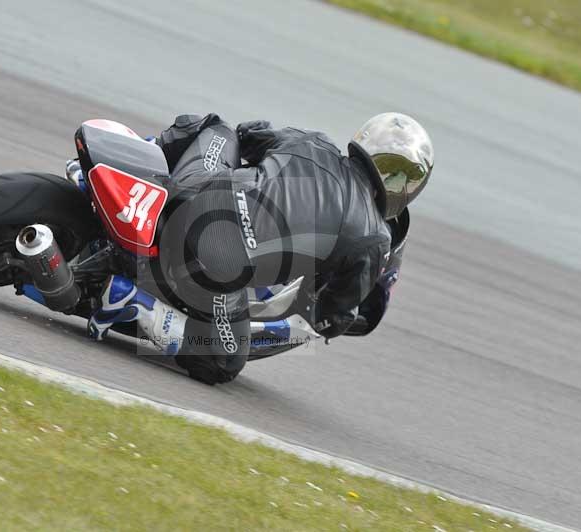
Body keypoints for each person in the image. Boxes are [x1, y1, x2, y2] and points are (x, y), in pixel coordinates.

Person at [88, 112, 434, 384]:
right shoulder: (374, 236)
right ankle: (131, 302)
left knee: (215, 126)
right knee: (223, 361)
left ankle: (138, 166)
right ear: (408, 188)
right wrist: (335, 320)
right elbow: (331, 313)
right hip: (216, 264)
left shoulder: (312, 142)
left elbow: (248, 134)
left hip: (188, 197)